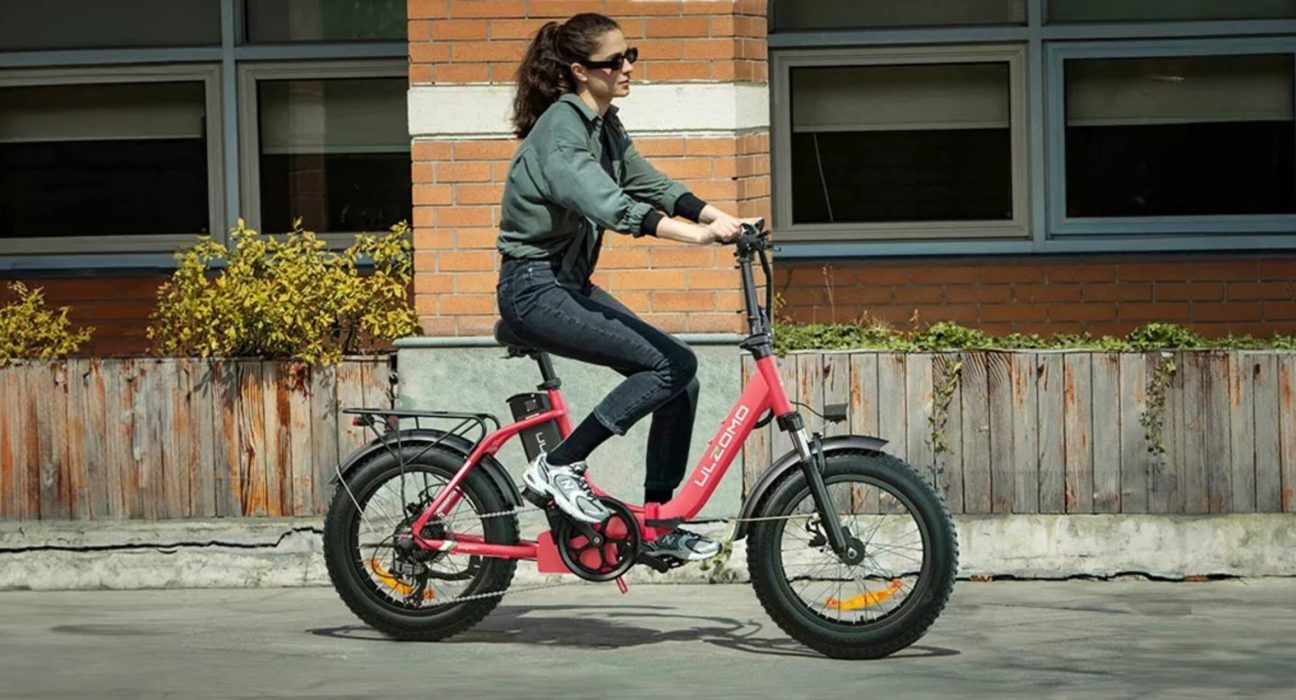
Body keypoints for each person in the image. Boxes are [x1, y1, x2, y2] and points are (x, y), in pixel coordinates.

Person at [495, 12, 759, 562]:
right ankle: (558, 465)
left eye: (629, 55)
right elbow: (609, 205)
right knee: (669, 365)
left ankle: (658, 524)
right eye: (613, 61)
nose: (627, 67)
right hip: (534, 288)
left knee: (680, 378)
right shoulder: (561, 131)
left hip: (567, 283)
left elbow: (649, 182)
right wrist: (697, 237)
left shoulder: (605, 126)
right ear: (580, 71)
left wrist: (723, 218)